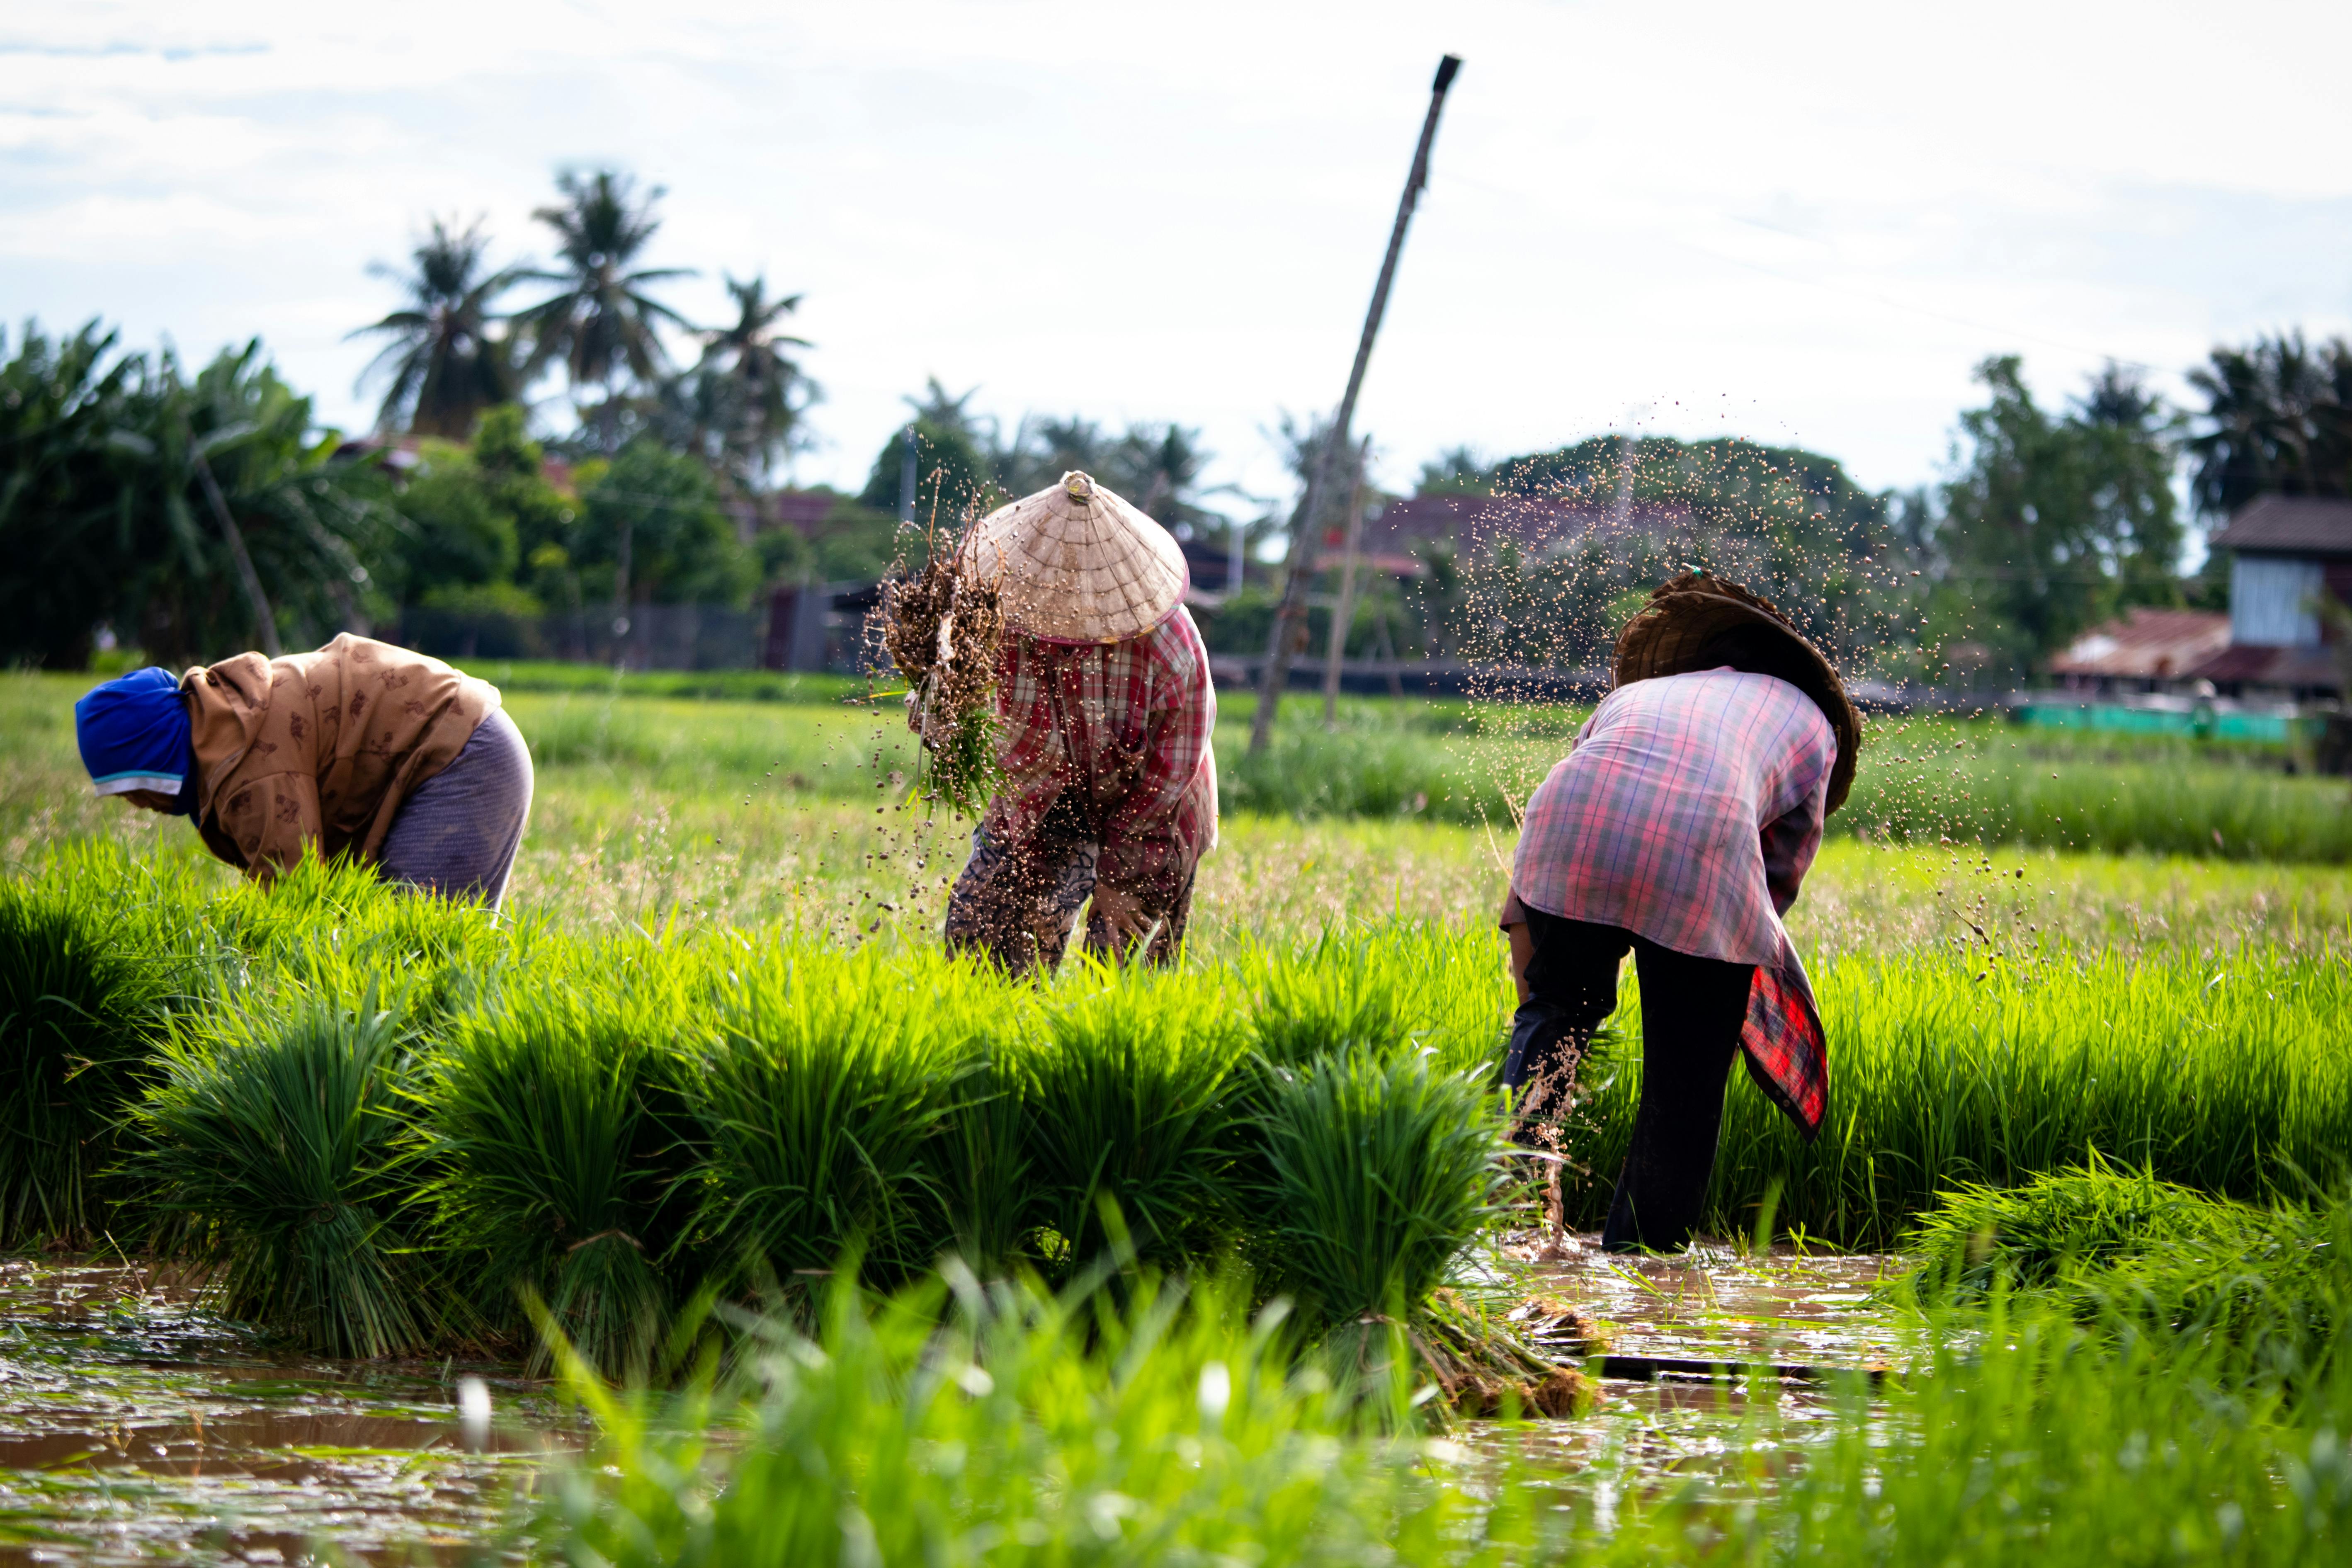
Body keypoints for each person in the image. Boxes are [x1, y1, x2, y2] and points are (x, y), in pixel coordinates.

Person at [1500, 573, 1860, 1253]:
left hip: (1565, 825)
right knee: (1683, 1086)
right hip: (1706, 841)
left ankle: (1513, 1215)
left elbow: (1574, 790)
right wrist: (1712, 956)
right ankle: (1641, 1269)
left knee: (1557, 1020)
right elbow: (1776, 877)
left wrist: (1543, 998)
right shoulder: (1813, 724)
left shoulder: (1636, 693)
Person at [942, 470, 1218, 976]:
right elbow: (958, 711)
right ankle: (1002, 1043)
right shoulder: (1000, 627)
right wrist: (940, 706)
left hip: (1150, 805)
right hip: (1043, 798)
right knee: (979, 929)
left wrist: (1120, 874)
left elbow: (1170, 774)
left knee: (1116, 959)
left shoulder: (1172, 649)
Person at [74, 633, 533, 910]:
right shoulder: (229, 719)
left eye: (131, 789)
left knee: (407, 956)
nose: (138, 806)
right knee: (428, 961)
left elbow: (296, 896)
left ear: (155, 759)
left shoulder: (247, 768)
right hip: (472, 742)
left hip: (460, 758)